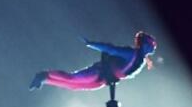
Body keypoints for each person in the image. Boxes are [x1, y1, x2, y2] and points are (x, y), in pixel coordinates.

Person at [29, 31, 158, 91]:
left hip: (105, 79)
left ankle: (45, 79)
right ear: (145, 45)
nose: (152, 48)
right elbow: (110, 49)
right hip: (100, 72)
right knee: (72, 79)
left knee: (74, 86)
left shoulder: (140, 58)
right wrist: (90, 44)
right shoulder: (131, 54)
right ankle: (43, 75)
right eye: (150, 45)